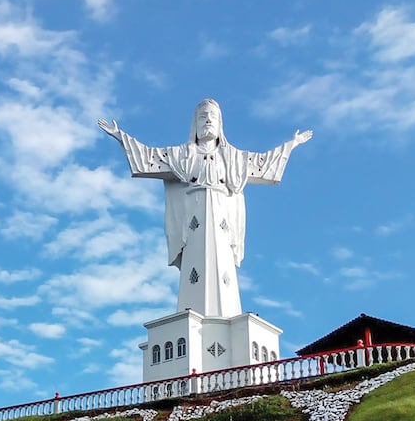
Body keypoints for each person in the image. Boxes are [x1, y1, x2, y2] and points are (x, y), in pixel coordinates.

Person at [99, 99, 310, 317]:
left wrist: (291, 144)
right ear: (195, 125)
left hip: (222, 217)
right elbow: (147, 157)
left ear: (220, 125)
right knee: (195, 268)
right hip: (193, 217)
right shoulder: (181, 156)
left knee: (223, 273)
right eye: (202, 117)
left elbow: (265, 162)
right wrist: (120, 136)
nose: (208, 120)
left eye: (212, 117)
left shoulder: (234, 158)